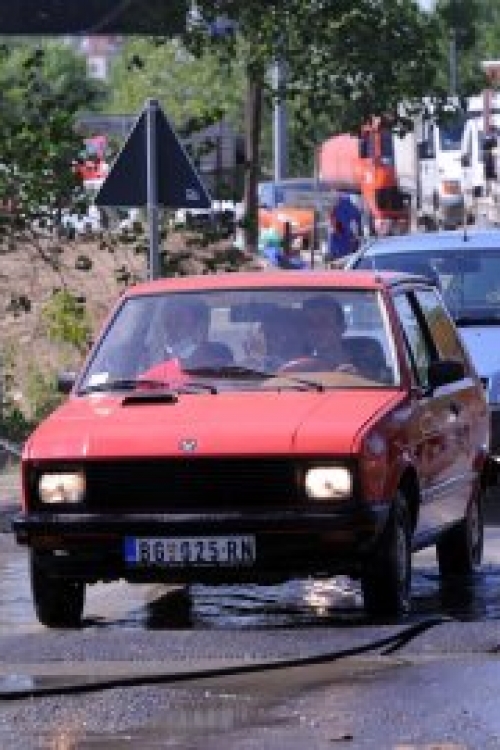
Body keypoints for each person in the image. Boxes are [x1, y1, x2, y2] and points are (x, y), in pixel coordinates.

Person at [300, 295, 354, 370]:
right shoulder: (299, 368)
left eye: (324, 322)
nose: (316, 329)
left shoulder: (366, 365)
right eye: (310, 323)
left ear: (342, 327)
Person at [327, 193, 363, 262]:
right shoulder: (353, 208)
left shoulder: (336, 209)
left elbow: (333, 228)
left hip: (342, 246)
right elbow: (356, 226)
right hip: (348, 245)